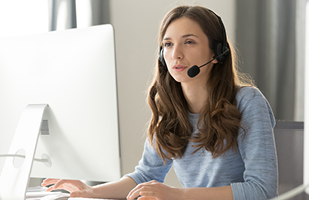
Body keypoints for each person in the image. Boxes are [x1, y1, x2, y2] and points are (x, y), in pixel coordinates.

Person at [41, 5, 278, 200]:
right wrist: (90, 191)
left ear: (217, 53)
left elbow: (261, 189)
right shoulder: (171, 112)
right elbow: (144, 175)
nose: (176, 54)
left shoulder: (247, 102)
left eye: (189, 42)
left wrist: (177, 194)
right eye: (168, 44)